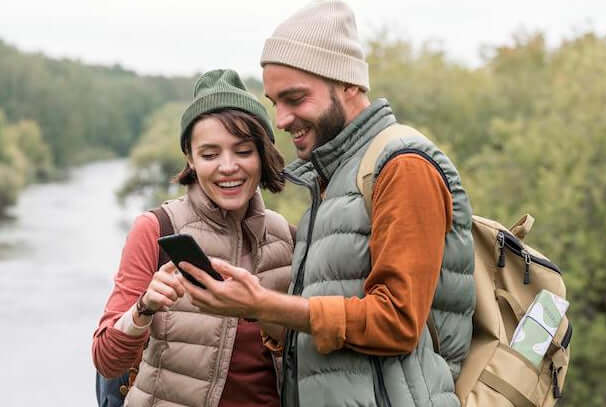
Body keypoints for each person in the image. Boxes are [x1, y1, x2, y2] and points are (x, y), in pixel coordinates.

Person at [178, 2, 476, 406]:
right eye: (274, 102)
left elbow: (397, 324)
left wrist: (266, 302)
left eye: (295, 98)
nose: (281, 120)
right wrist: (257, 308)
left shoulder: (403, 165)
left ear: (349, 84)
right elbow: (328, 329)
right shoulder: (331, 177)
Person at [92, 69, 294, 407]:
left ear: (262, 153)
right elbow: (106, 360)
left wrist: (268, 317)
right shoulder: (157, 229)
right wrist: (143, 309)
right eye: (210, 154)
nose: (228, 167)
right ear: (190, 158)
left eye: (243, 151)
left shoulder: (286, 238)